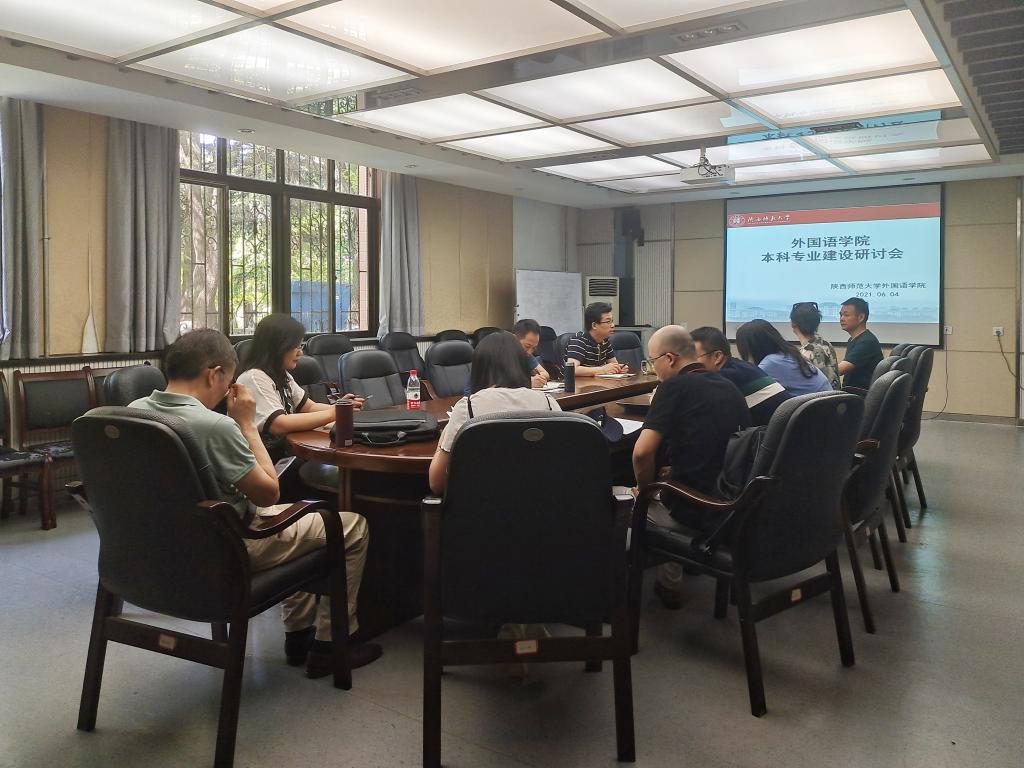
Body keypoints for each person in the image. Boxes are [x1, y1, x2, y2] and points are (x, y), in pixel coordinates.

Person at [131, 329, 381, 677]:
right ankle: (331, 644)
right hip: (229, 549)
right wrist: (247, 426)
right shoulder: (214, 426)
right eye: (228, 382)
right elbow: (268, 493)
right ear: (214, 374)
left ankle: (299, 634)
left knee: (301, 522)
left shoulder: (133, 411)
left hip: (153, 552)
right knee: (351, 525)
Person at [632, 326, 750, 608]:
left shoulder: (673, 387)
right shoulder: (728, 385)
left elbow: (641, 453)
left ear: (670, 358)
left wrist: (644, 491)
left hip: (696, 509)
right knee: (666, 482)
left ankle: (664, 586)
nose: (654, 370)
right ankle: (675, 575)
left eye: (653, 362)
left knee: (624, 500)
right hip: (730, 504)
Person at [235, 314, 362, 498]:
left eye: (300, 346)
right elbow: (278, 424)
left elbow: (308, 407)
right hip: (267, 466)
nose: (300, 353)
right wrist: (334, 413)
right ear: (277, 346)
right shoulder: (254, 377)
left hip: (286, 454)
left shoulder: (281, 374)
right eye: (295, 346)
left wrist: (344, 407)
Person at [429, 331, 560, 495]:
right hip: (543, 502)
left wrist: (444, 437)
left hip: (481, 506)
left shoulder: (467, 408)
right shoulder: (549, 403)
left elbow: (436, 483)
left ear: (479, 368)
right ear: (522, 365)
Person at [690, 326, 792, 426]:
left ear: (717, 356)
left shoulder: (725, 378)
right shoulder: (742, 367)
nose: (688, 362)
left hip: (777, 433)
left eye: (693, 357)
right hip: (787, 429)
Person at [735, 319, 832, 396]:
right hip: (827, 406)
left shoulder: (771, 363)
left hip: (816, 411)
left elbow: (744, 392)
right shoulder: (788, 354)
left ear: (751, 348)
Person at [564, 301, 628, 377]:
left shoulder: (605, 341)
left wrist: (619, 368)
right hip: (573, 383)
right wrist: (603, 370)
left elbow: (613, 364)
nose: (613, 325)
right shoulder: (578, 340)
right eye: (608, 322)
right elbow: (573, 369)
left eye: (612, 321)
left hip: (595, 383)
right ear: (594, 325)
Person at [790, 301, 841, 390]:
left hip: (817, 398)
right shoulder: (827, 345)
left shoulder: (804, 354)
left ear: (793, 323)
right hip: (837, 397)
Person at [838, 297, 883, 390]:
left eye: (846, 315)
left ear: (861, 317)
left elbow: (839, 370)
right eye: (841, 315)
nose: (841, 319)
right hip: (850, 393)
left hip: (859, 395)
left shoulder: (867, 342)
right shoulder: (853, 339)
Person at [512, 318, 551, 388]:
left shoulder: (527, 356)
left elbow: (545, 373)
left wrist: (539, 378)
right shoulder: (502, 354)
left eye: (534, 348)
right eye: (527, 346)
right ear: (514, 339)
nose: (530, 352)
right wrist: (528, 382)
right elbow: (498, 382)